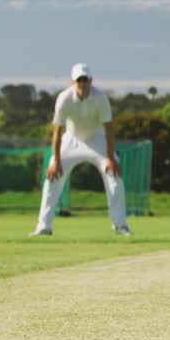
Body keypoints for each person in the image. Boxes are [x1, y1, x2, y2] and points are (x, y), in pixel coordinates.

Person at [29, 64, 131, 237]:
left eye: (85, 80)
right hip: (72, 140)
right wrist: (57, 160)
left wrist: (110, 158)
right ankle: (44, 227)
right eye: (79, 80)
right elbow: (57, 132)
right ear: (73, 82)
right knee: (52, 177)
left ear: (91, 81)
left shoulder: (101, 98)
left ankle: (120, 225)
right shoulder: (64, 98)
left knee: (115, 176)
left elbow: (108, 129)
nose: (82, 84)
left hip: (97, 140)